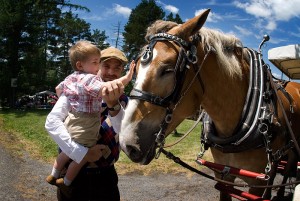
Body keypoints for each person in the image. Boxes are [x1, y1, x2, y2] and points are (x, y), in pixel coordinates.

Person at [45, 45, 134, 200]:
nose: (112, 73)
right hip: (74, 175)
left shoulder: (125, 101)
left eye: (117, 68)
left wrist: (113, 105)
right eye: (106, 66)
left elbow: (123, 132)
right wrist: (84, 153)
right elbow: (52, 123)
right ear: (97, 66)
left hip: (106, 177)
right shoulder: (75, 91)